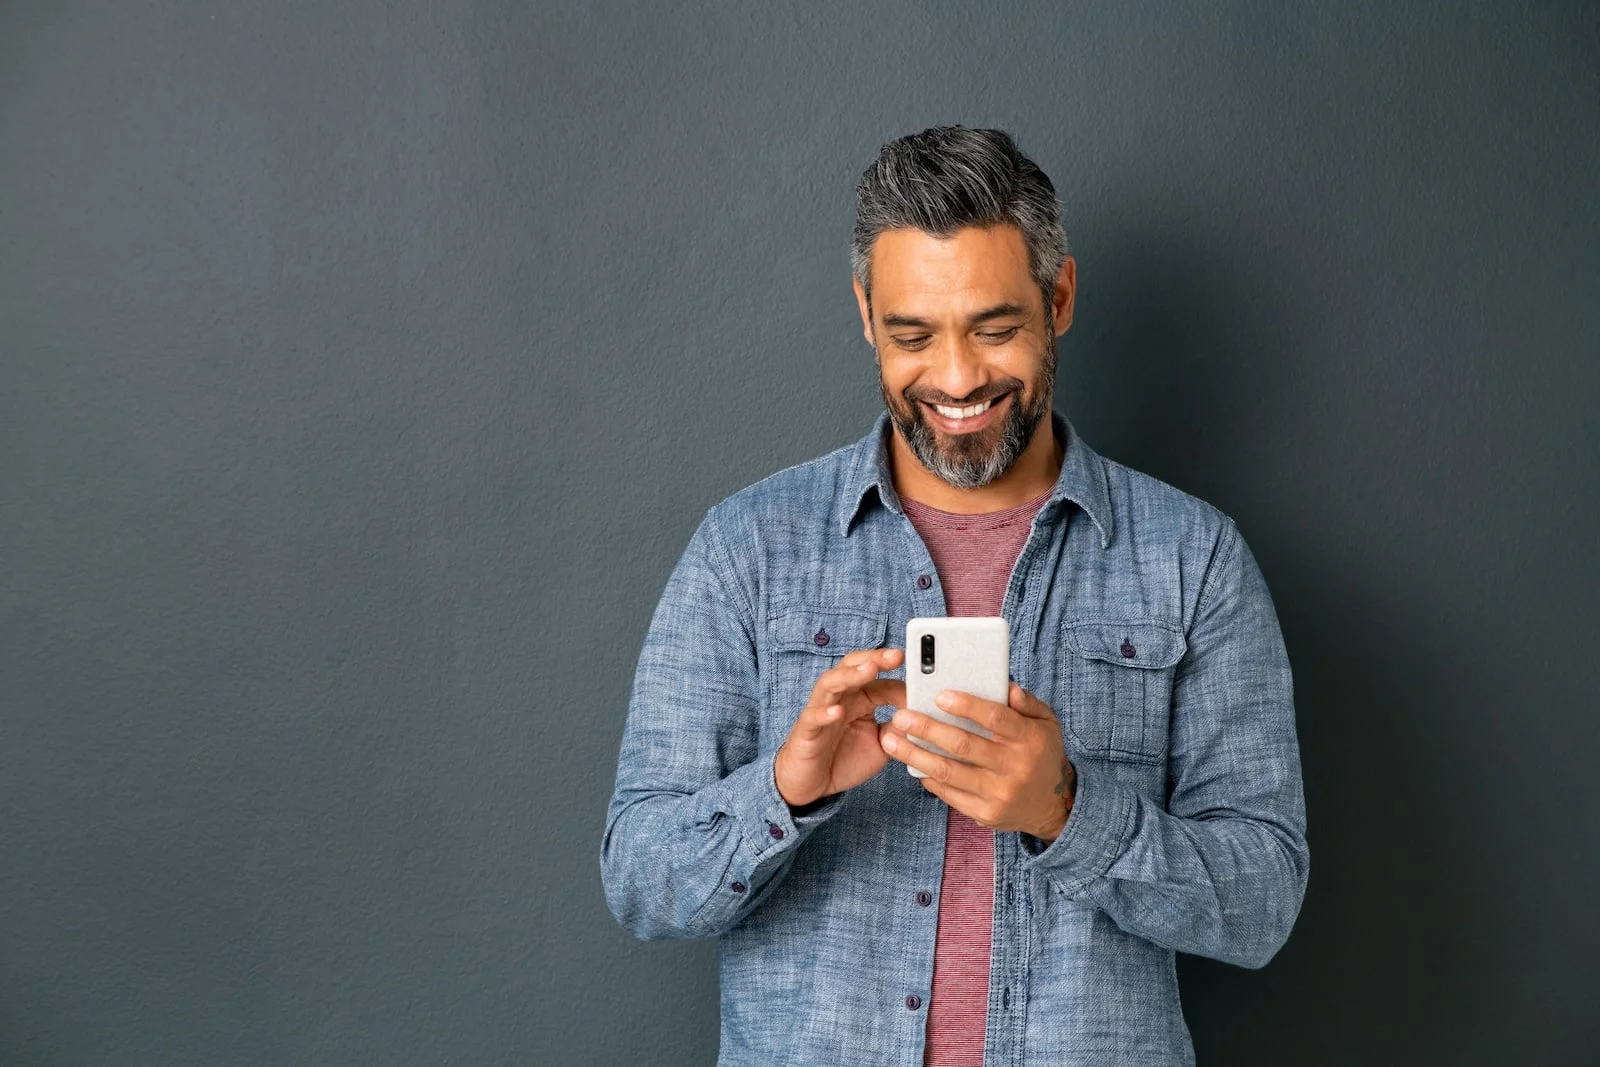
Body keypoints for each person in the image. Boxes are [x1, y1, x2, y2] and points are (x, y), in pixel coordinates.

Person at [600, 125, 1308, 1067]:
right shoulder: (748, 547)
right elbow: (641, 880)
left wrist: (1067, 809)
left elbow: (1261, 902)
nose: (958, 377)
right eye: (913, 334)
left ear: (1058, 299)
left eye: (995, 326)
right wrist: (786, 789)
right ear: (864, 314)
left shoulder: (1196, 559)